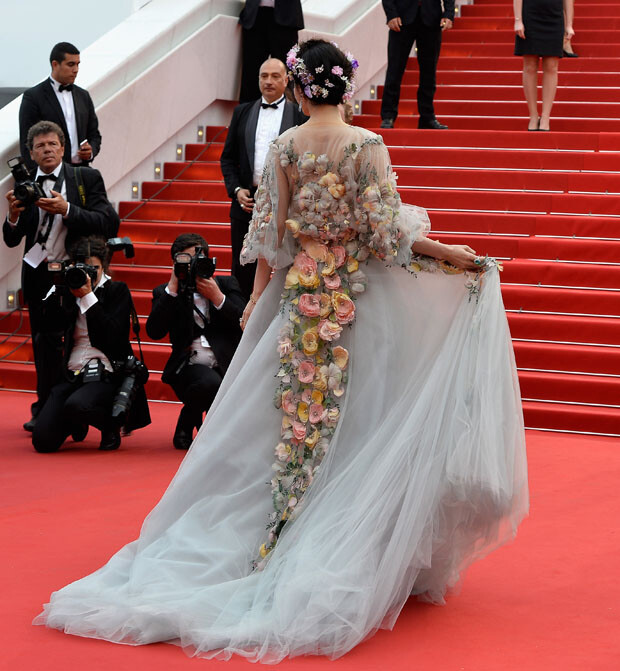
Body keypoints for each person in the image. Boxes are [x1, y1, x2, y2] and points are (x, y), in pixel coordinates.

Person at [34, 40, 528, 663]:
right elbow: (386, 239)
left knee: (292, 423)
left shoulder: (286, 148)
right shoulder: (365, 146)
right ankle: (344, 540)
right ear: (346, 88)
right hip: (358, 304)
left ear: (297, 89)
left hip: (298, 305)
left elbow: (268, 242)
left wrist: (255, 310)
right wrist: (454, 258)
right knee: (359, 424)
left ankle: (286, 526)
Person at [3, 120, 120, 431]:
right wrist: (13, 217)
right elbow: (12, 239)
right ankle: (44, 408)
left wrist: (67, 209)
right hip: (39, 275)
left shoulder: (85, 177)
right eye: (40, 146)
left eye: (52, 144)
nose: (47, 150)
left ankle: (79, 409)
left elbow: (108, 221)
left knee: (76, 340)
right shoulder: (25, 186)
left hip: (76, 274)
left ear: (63, 148)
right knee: (43, 344)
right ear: (31, 153)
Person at [31, 236, 151, 452]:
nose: (87, 274)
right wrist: (56, 294)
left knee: (78, 405)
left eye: (93, 268)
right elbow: (46, 328)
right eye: (82, 268)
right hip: (72, 371)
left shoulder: (117, 291)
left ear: (103, 266)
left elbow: (114, 337)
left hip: (106, 371)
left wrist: (88, 298)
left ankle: (109, 426)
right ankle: (75, 420)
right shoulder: (68, 289)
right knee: (42, 441)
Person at [145, 233, 246, 450]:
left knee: (219, 394)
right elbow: (154, 332)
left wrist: (217, 297)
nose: (192, 266)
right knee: (210, 385)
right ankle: (202, 425)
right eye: (186, 260)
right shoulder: (166, 292)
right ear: (175, 263)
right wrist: (172, 290)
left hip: (225, 364)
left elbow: (244, 322)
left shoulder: (226, 284)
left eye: (198, 259)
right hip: (188, 368)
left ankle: (187, 420)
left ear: (209, 261)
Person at [220, 58, 306, 300]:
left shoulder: (299, 114)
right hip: (245, 205)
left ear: (287, 80)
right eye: (264, 76)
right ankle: (242, 325)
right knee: (242, 269)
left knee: (285, 266)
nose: (269, 81)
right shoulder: (242, 112)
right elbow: (227, 159)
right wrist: (236, 189)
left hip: (286, 206)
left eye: (275, 76)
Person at [19, 42, 101, 170]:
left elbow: (94, 135)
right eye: (71, 64)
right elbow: (27, 142)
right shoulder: (33, 97)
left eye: (78, 64)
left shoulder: (83, 95)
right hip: (51, 174)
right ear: (55, 64)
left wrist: (90, 152)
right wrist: (41, 176)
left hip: (81, 172)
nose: (76, 70)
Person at [380, 0, 455, 129]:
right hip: (401, 19)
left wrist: (448, 14)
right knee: (395, 70)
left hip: (431, 19)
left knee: (429, 72)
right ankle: (388, 116)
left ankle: (427, 117)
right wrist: (391, 14)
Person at [514, 0, 575, 131]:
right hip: (529, 14)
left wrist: (569, 24)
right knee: (530, 65)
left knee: (551, 65)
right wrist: (518, 19)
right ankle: (533, 115)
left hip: (554, 16)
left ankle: (546, 116)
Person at [238, 0, 304, 103]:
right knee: (251, 73)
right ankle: (248, 116)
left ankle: (288, 115)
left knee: (287, 72)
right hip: (255, 15)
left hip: (286, 17)